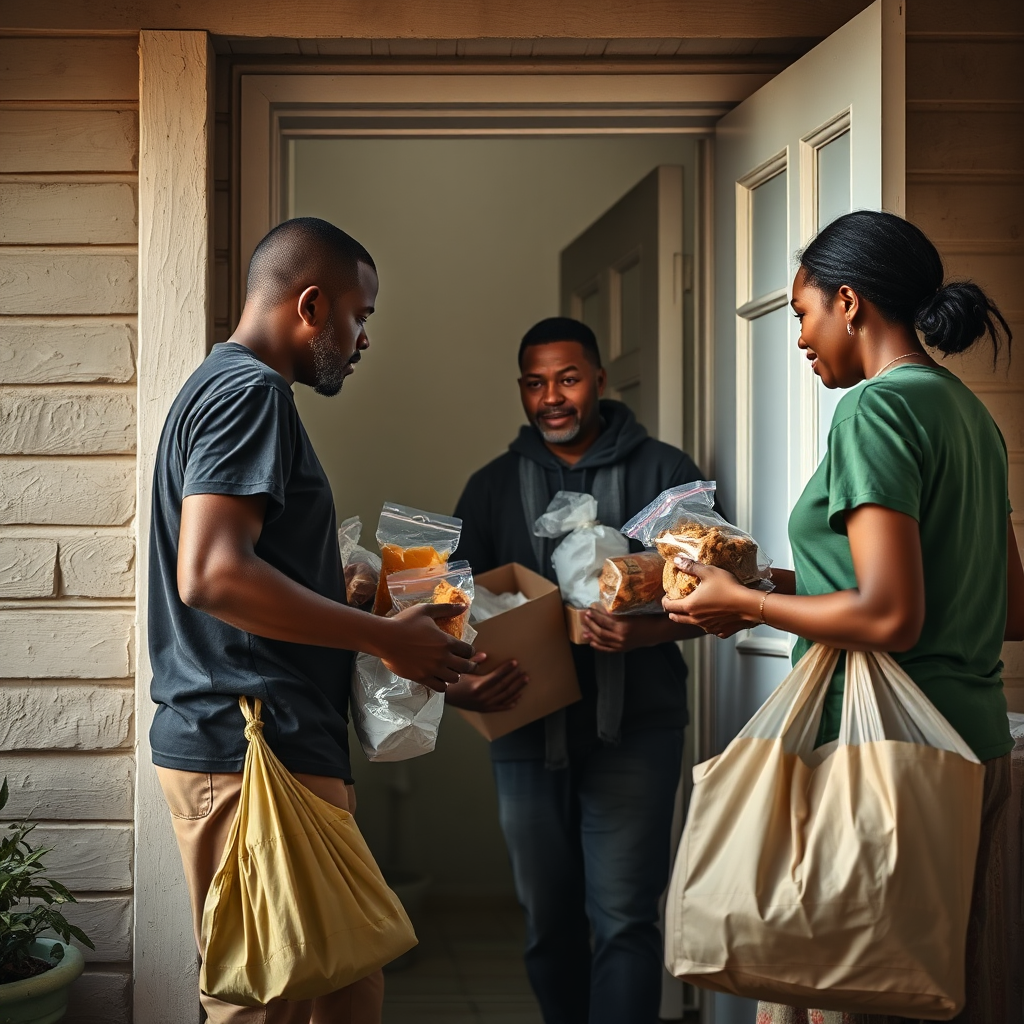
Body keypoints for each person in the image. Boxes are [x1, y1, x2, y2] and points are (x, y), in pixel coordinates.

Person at [663, 211, 1024, 1024]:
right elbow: (1008, 607)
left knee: (841, 994)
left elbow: (890, 615)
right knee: (930, 992)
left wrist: (746, 603)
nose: (800, 337)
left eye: (803, 312)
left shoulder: (873, 410)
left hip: (879, 759)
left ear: (849, 302)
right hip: (974, 748)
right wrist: (771, 581)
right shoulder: (969, 415)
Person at [148, 217, 477, 1024]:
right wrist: (384, 637)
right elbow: (211, 574)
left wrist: (344, 589)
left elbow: (241, 565)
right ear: (310, 305)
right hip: (254, 746)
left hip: (273, 742)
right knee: (278, 1000)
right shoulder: (249, 394)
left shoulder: (229, 389)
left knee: (342, 990)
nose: (363, 339)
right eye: (360, 316)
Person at [448, 316, 706, 1024]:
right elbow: (450, 606)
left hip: (639, 730)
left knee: (625, 919)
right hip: (525, 733)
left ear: (598, 379)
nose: (551, 397)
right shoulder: (492, 487)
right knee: (548, 920)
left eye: (567, 379)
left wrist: (644, 631)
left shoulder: (665, 474)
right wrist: (465, 683)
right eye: (535, 383)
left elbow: (721, 592)